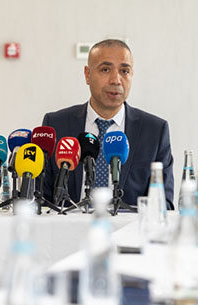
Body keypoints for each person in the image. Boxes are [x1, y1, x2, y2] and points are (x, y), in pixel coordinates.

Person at [41, 39, 174, 208]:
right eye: (105, 69)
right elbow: (40, 200)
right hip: (69, 223)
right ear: (87, 75)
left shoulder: (155, 131)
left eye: (124, 71)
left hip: (130, 225)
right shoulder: (56, 125)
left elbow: (164, 204)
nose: (116, 80)